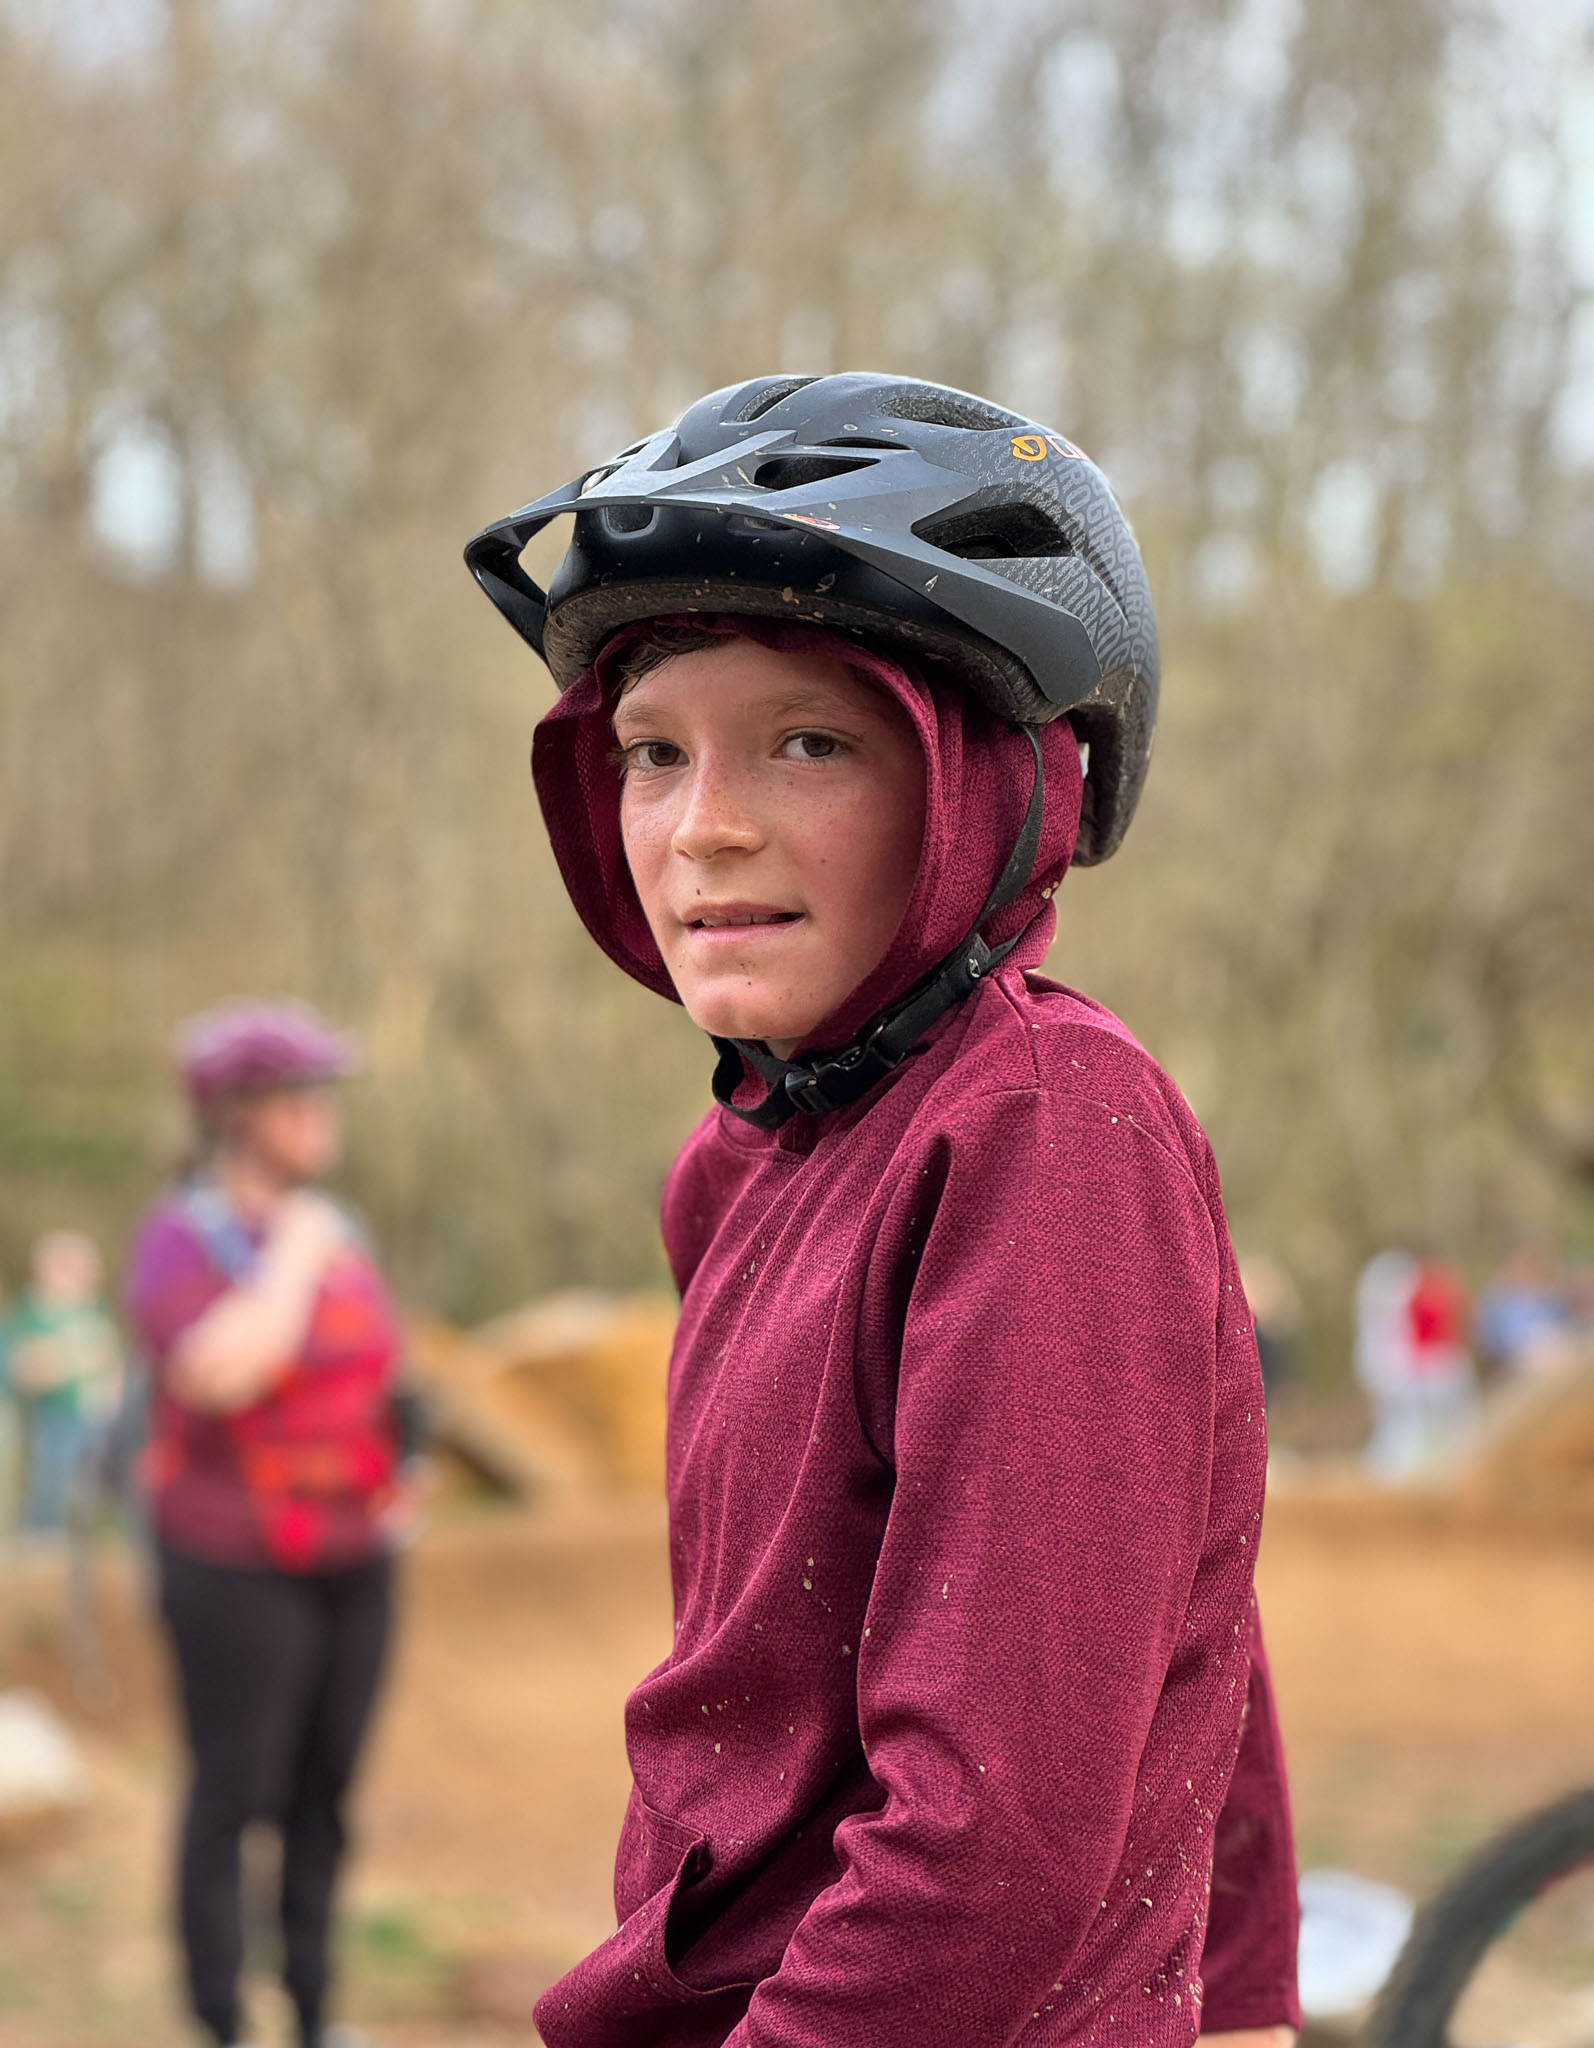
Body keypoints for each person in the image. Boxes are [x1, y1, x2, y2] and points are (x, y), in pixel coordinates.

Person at [466, 373, 1299, 2047]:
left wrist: (1233, 1993)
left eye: (807, 742)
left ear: (979, 781)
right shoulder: (743, 1162)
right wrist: (1244, 1984)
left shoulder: (1043, 1125)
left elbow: (989, 1840)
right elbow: (1166, 1617)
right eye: (650, 750)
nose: (701, 828)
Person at [126, 999, 424, 2048]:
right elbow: (217, 1373)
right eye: (300, 1095)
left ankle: (311, 2011)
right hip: (230, 1563)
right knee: (233, 1792)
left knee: (324, 1793)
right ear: (236, 1114)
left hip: (355, 1555)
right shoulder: (181, 1237)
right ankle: (221, 2019)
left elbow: (382, 1364)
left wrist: (406, 1460)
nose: (321, 1113)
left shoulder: (344, 1231)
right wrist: (294, 1249)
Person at [2, 1229, 124, 1534]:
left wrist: (114, 1392)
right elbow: (24, 1364)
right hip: (54, 1412)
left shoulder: (95, 1313)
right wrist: (64, 1361)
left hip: (93, 1410)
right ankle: (43, 1529)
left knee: (88, 1480)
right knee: (51, 1474)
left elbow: (110, 1356)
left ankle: (80, 1532)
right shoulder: (34, 1312)